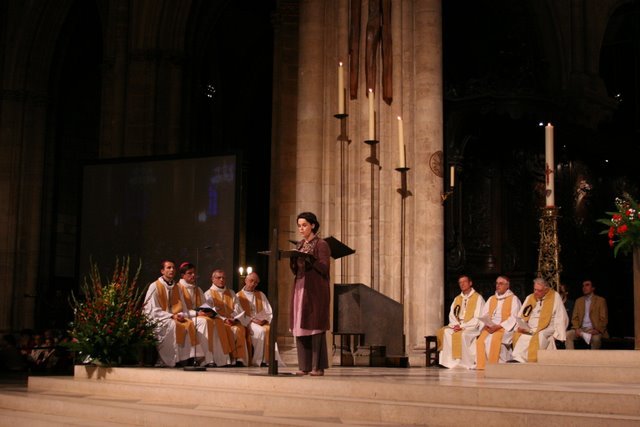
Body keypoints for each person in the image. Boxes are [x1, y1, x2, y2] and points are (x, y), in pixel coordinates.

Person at [290, 211, 331, 376]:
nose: (301, 228)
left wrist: (309, 258)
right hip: (300, 287)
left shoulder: (321, 244)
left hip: (315, 290)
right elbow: (295, 270)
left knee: (314, 326)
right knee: (300, 325)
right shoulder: (300, 244)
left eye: (304, 225)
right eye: (299, 226)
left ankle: (317, 367)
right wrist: (294, 259)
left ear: (313, 225)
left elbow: (324, 267)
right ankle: (304, 366)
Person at [177, 262, 235, 367]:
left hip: (199, 316)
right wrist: (197, 313)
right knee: (205, 321)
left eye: (194, 273)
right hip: (186, 318)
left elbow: (205, 306)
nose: (193, 275)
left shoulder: (198, 289)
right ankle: (205, 360)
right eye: (189, 273)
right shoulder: (178, 288)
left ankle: (222, 360)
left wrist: (211, 312)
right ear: (182, 275)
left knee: (218, 321)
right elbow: (180, 310)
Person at [143, 260, 196, 367]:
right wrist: (171, 316)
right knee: (172, 325)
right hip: (157, 318)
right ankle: (165, 360)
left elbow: (183, 307)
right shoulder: (155, 286)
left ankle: (182, 359)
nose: (172, 270)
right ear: (162, 271)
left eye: (173, 268)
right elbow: (151, 309)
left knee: (189, 323)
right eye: (168, 268)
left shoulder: (177, 287)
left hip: (173, 317)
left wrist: (181, 315)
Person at [511, 277, 568, 363]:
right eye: (535, 289)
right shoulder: (530, 297)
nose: (536, 292)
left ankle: (532, 360)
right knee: (521, 335)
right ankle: (518, 359)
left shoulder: (554, 297)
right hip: (530, 327)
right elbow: (521, 315)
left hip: (547, 327)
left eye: (539, 290)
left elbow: (561, 317)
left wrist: (557, 334)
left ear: (546, 290)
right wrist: (520, 326)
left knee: (540, 335)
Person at [436, 275, 485, 369]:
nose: (462, 284)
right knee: (446, 332)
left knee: (462, 335)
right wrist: (456, 325)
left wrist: (463, 326)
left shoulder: (478, 298)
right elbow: (452, 315)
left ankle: (465, 362)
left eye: (464, 282)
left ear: (470, 283)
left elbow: (478, 317)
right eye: (460, 282)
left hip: (472, 327)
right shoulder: (457, 299)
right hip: (458, 325)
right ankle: (449, 362)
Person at [237, 271, 284, 367]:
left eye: (256, 282)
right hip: (247, 322)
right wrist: (252, 320)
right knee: (261, 332)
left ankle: (267, 360)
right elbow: (238, 313)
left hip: (260, 321)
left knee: (269, 330)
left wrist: (264, 320)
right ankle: (257, 360)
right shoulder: (238, 296)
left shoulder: (261, 295)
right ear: (245, 280)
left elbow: (268, 311)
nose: (253, 284)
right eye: (251, 281)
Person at [204, 269, 249, 367]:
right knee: (225, 329)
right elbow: (210, 311)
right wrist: (224, 319)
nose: (221, 280)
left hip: (232, 321)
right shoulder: (208, 294)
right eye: (218, 278)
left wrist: (234, 318)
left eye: (223, 278)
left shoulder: (231, 293)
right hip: (219, 321)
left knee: (239, 329)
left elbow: (238, 308)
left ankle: (239, 358)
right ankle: (229, 359)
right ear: (212, 279)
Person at [476, 275, 522, 369]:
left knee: (491, 339)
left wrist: (498, 326)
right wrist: (487, 324)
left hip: (505, 328)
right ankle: (482, 365)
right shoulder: (491, 299)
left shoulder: (513, 299)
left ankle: (494, 365)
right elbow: (485, 314)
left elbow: (514, 317)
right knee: (480, 341)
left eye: (500, 283)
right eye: (497, 283)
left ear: (507, 285)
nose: (498, 285)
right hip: (491, 326)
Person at [565, 280, 608, 350]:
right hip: (581, 329)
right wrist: (576, 328)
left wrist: (597, 330)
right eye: (583, 286)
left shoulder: (600, 301)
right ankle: (571, 358)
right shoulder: (579, 301)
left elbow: (604, 319)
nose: (584, 287)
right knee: (568, 335)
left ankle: (593, 359)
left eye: (587, 285)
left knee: (596, 339)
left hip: (594, 329)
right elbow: (574, 318)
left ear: (593, 288)